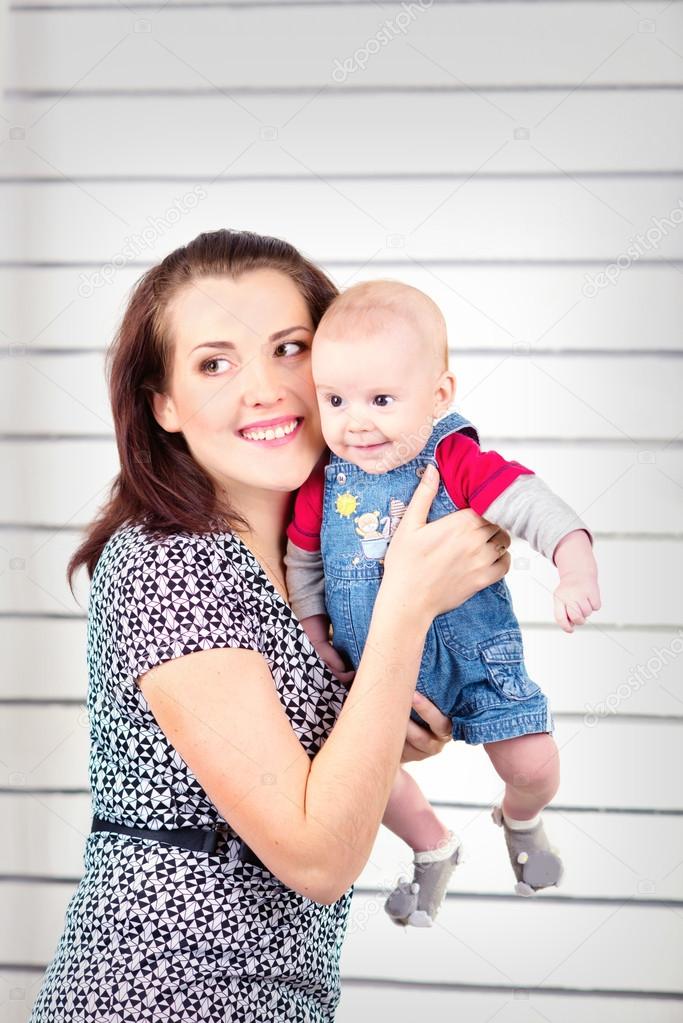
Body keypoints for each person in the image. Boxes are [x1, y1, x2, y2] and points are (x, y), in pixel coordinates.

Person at [28, 230, 513, 1023]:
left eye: (289, 348)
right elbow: (317, 858)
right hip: (160, 995)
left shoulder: (319, 561)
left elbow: (314, 768)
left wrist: (384, 712)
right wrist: (403, 610)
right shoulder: (171, 561)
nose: (265, 388)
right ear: (165, 405)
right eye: (214, 363)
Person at [284, 279, 602, 928]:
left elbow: (528, 502)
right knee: (360, 778)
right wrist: (314, 634)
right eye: (335, 399)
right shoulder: (324, 480)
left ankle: (521, 816)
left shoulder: (452, 455)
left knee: (533, 763)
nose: (355, 421)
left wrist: (573, 565)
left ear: (438, 396)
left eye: (380, 398)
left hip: (474, 658)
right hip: (373, 668)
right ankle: (431, 845)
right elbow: (303, 563)